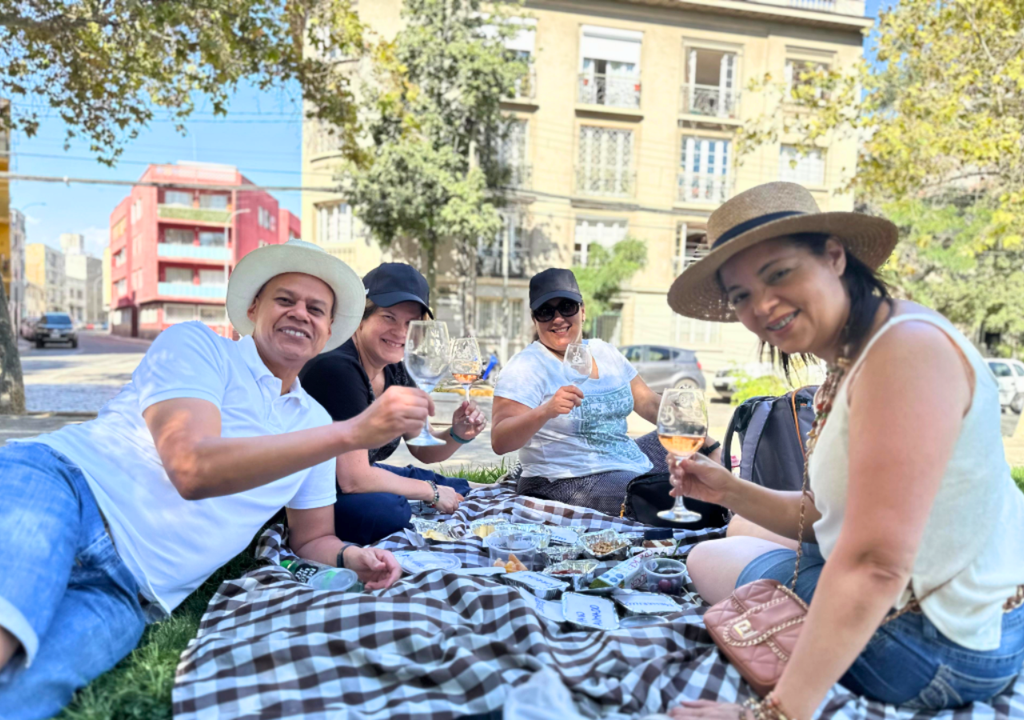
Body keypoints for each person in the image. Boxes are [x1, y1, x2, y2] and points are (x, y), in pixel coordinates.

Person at [0, 240, 432, 720]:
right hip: (67, 489)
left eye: (316, 308)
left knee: (22, 694)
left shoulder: (316, 419)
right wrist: (348, 433)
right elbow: (191, 466)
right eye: (284, 300)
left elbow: (314, 538)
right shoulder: (198, 346)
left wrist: (354, 558)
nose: (300, 314)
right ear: (252, 309)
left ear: (329, 329)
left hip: (133, 589)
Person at [663, 183, 1024, 720]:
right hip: (961, 611)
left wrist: (776, 713)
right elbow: (831, 514)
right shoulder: (867, 345)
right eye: (740, 295)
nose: (761, 306)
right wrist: (729, 488)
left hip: (942, 645)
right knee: (735, 529)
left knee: (707, 556)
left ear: (834, 256)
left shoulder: (903, 354)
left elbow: (875, 563)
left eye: (779, 273)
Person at [490, 268, 723, 516]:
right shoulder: (527, 365)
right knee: (687, 499)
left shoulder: (604, 351)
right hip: (565, 479)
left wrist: (708, 444)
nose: (557, 318)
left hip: (625, 458)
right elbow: (500, 441)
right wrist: (545, 411)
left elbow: (649, 403)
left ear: (582, 310)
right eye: (546, 312)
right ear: (535, 320)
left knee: (684, 445)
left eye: (567, 307)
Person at [299, 263, 487, 545]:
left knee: (453, 485)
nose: (401, 332)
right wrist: (430, 492)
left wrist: (457, 434)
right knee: (388, 511)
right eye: (389, 317)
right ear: (360, 317)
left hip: (351, 478)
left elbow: (422, 447)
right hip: (310, 493)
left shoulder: (397, 369)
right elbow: (353, 479)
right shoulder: (337, 368)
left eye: (412, 324)